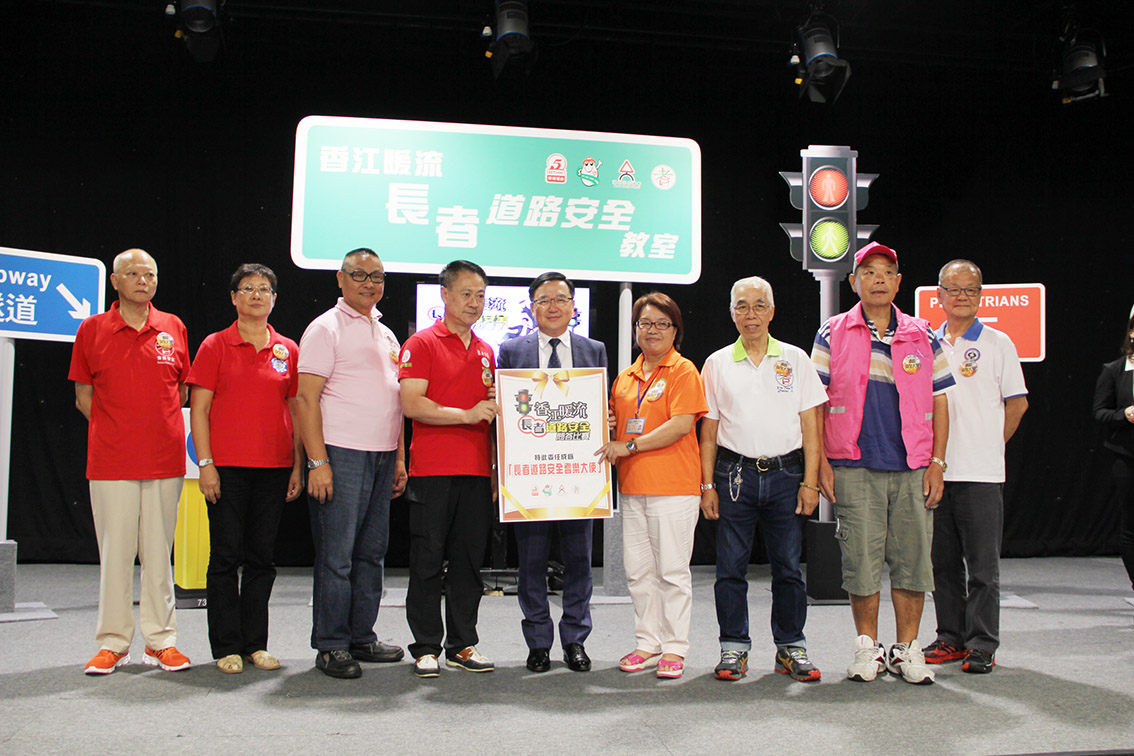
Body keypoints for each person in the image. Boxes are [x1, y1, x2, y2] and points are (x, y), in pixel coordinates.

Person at [811, 241, 955, 685]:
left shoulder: (924, 334)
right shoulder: (831, 332)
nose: (877, 279)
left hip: (913, 467)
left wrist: (937, 463)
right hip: (854, 465)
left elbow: (940, 401)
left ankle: (908, 649)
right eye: (868, 272)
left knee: (913, 561)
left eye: (885, 272)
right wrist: (819, 464)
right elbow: (814, 403)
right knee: (861, 561)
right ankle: (867, 649)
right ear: (854, 281)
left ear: (898, 281)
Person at [69, 248, 192, 675]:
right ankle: (113, 643)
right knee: (116, 555)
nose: (143, 280)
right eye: (133, 273)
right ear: (116, 282)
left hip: (164, 458)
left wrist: (151, 425)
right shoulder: (93, 328)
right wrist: (119, 427)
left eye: (151, 274)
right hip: (111, 460)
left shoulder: (172, 326)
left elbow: (180, 391)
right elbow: (84, 396)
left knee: (159, 555)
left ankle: (161, 642)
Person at [699, 276, 827, 682]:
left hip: (788, 474)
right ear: (731, 312)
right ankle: (733, 647)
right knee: (730, 569)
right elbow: (708, 431)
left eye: (758, 306)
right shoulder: (717, 363)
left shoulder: (796, 358)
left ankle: (791, 646)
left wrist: (810, 482)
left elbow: (812, 424)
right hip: (733, 475)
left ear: (772, 311)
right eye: (742, 306)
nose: (750, 314)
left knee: (788, 567)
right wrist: (706, 486)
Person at [295, 248, 407, 680]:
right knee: (337, 556)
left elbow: (393, 401)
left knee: (371, 554)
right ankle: (331, 645)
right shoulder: (325, 328)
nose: (369, 283)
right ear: (339, 280)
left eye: (377, 276)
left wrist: (398, 457)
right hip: (339, 453)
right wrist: (317, 461)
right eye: (359, 275)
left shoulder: (387, 333)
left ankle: (361, 635)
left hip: (381, 455)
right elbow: (306, 399)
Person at [187, 264, 305, 674]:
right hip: (227, 469)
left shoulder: (287, 349)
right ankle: (225, 646)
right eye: (247, 288)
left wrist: (298, 465)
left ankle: (256, 643)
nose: (256, 295)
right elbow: (199, 411)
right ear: (233, 297)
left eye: (264, 289)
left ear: (274, 299)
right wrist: (205, 464)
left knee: (261, 559)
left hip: (274, 468)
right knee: (225, 556)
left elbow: (296, 409)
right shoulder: (214, 345)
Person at [497, 271, 608, 674]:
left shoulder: (594, 350)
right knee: (531, 562)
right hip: (531, 477)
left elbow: (598, 408)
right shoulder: (511, 351)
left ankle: (575, 640)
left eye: (560, 299)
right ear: (532, 307)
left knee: (579, 562)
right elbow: (507, 416)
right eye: (544, 300)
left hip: (580, 475)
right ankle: (539, 643)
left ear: (573, 307)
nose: (553, 306)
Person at [597, 292, 707, 680]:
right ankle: (648, 641)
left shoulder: (683, 370)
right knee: (638, 572)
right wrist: (607, 425)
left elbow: (680, 425)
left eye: (662, 324)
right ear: (635, 330)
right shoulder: (625, 378)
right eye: (645, 323)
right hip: (632, 486)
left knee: (672, 572)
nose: (653, 331)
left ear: (675, 330)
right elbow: (618, 423)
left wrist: (627, 444)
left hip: (674, 487)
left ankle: (675, 647)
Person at [399, 259, 499, 678]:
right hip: (432, 471)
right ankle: (425, 647)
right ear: (444, 294)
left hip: (477, 472)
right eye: (466, 293)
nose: (474, 303)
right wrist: (467, 414)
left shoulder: (485, 349)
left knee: (468, 563)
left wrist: (496, 471)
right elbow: (411, 404)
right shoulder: (421, 344)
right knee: (427, 560)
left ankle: (463, 643)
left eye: (480, 295)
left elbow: (494, 415)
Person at [1092, 311, 1134, 621]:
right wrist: (1125, 414)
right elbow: (1100, 412)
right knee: (1131, 529)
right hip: (1127, 457)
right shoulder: (1115, 370)